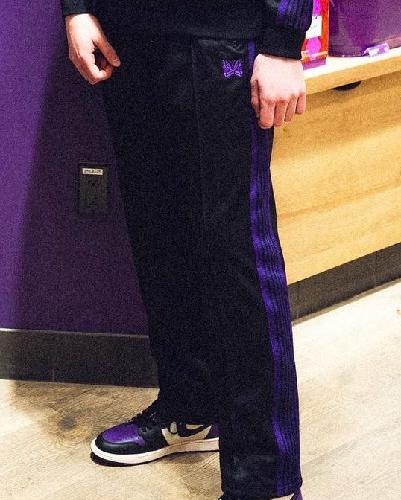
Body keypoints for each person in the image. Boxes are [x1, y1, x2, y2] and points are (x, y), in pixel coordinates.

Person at [61, 1, 313, 499]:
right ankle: (191, 409)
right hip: (125, 36)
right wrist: (77, 7)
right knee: (158, 234)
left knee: (236, 253)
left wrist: (283, 40)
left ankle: (265, 480)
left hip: (225, 33)